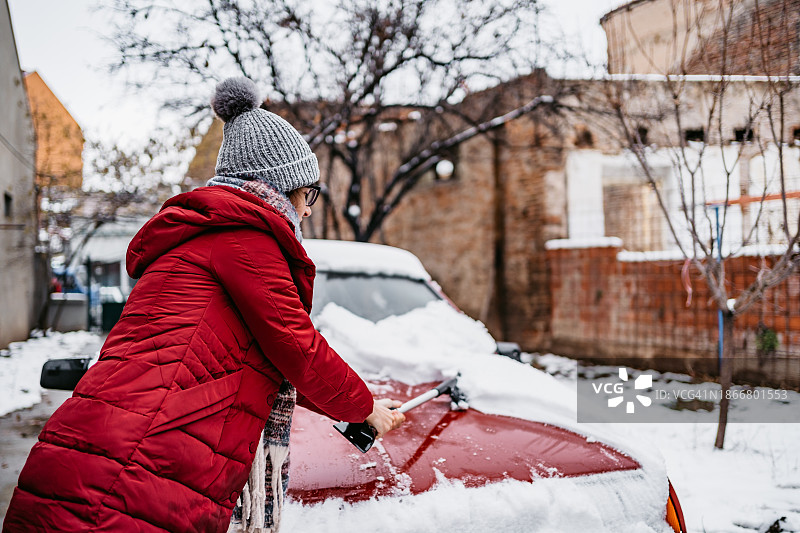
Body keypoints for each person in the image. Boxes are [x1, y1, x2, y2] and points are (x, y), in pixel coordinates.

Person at [3, 77, 405, 533]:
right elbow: (296, 343)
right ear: (277, 186)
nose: (308, 209)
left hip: (104, 461)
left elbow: (270, 355)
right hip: (129, 475)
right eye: (306, 193)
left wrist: (356, 405)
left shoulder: (200, 242)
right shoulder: (245, 239)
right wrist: (363, 404)